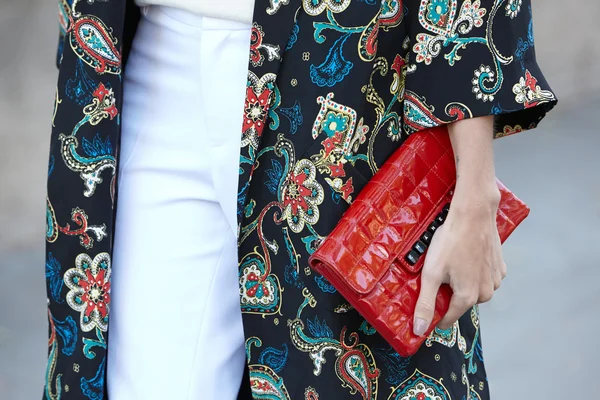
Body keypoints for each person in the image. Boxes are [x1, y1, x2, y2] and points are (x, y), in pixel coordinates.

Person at [44, 0, 557, 398]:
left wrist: (475, 189)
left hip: (341, 89)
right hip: (155, 66)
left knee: (336, 372)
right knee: (146, 382)